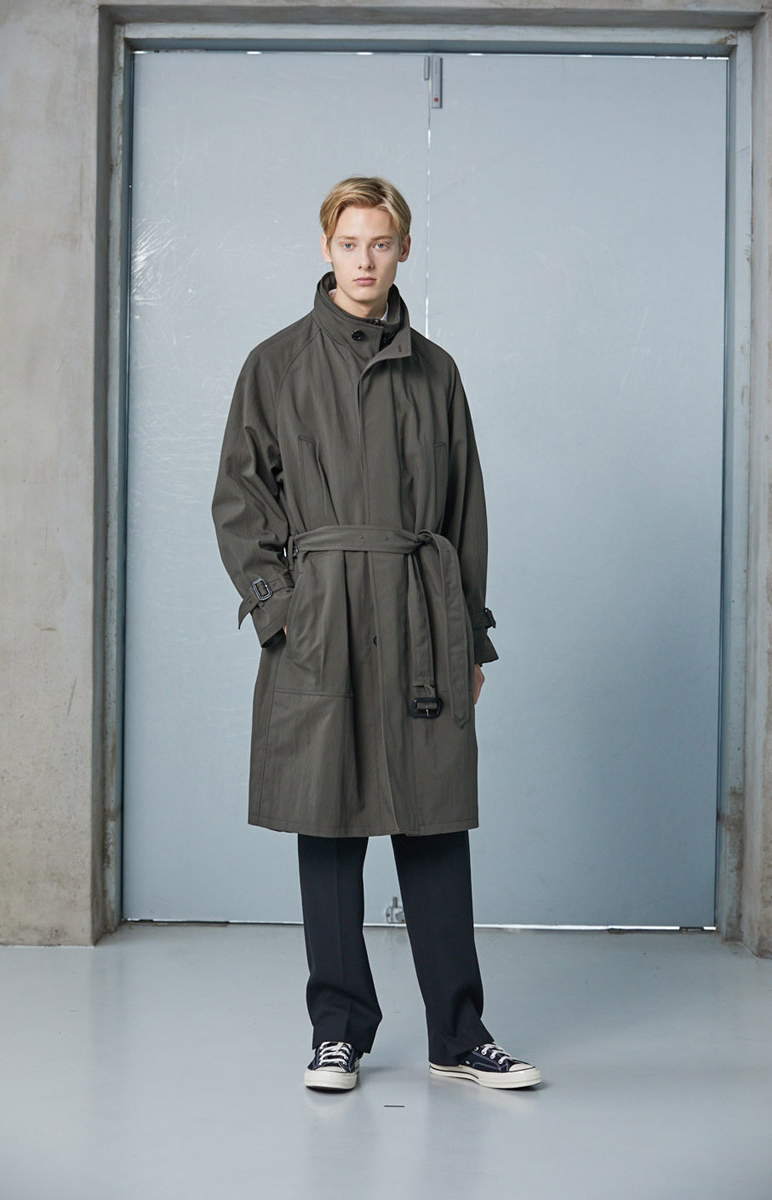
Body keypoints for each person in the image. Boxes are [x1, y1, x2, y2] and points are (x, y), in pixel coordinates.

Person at [212, 176, 541, 1092]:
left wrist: (470, 638)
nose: (365, 260)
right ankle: (338, 1032)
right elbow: (240, 499)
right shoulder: (275, 364)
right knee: (327, 824)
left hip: (421, 615)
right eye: (350, 243)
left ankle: (458, 1035)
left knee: (433, 821)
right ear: (326, 248)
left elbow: (465, 511)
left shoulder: (437, 371)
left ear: (403, 250)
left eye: (381, 243)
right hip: (322, 620)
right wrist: (283, 610)